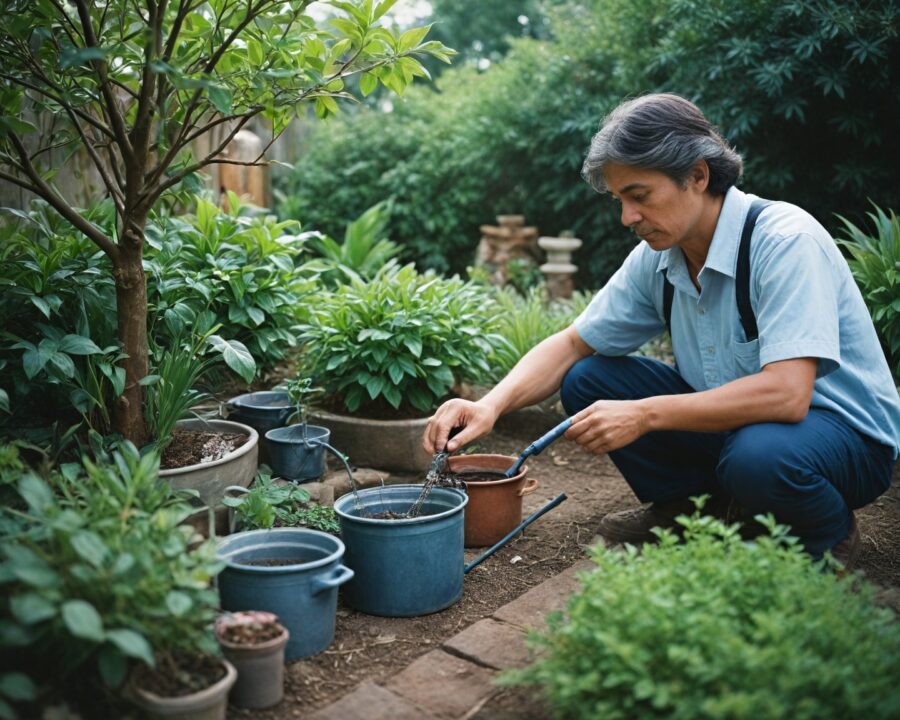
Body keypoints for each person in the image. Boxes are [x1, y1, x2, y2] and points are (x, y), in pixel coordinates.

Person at [424, 93, 900, 566]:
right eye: (619, 200)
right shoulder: (660, 257)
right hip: (747, 431)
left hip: (843, 440)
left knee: (759, 456)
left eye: (639, 196)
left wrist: (644, 414)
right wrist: (490, 405)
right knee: (589, 378)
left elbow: (787, 395)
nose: (627, 217)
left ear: (697, 174)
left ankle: (826, 532)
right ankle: (695, 508)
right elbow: (572, 343)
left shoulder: (782, 242)